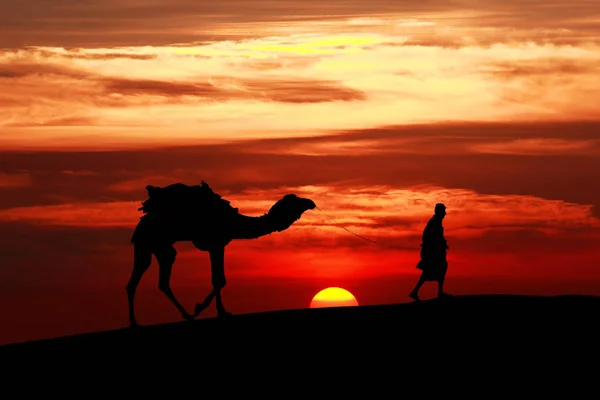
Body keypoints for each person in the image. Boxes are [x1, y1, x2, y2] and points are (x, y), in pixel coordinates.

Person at [409, 203, 452, 300]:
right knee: (435, 270)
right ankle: (437, 292)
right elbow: (430, 237)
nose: (445, 213)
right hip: (432, 253)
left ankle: (418, 291)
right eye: (443, 211)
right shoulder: (434, 222)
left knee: (437, 270)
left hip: (435, 252)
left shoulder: (436, 222)